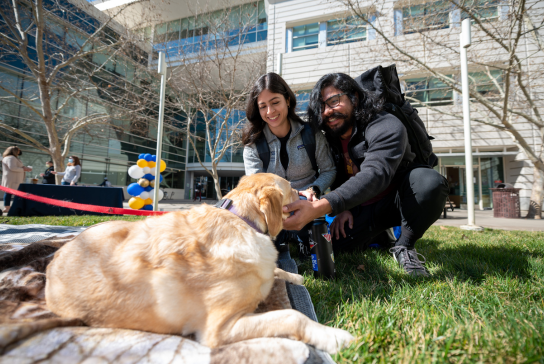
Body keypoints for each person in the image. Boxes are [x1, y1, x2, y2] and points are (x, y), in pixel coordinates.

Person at [282, 73, 448, 276]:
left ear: (355, 97)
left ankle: (405, 245)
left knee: (429, 182)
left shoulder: (385, 124)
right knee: (334, 246)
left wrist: (323, 206)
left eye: (334, 101)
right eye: (321, 107)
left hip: (398, 201)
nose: (327, 112)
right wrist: (344, 209)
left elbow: (376, 173)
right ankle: (377, 237)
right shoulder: (331, 138)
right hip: (363, 208)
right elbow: (339, 174)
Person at [242, 72, 336, 254]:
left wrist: (314, 190)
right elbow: (255, 187)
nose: (270, 112)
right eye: (263, 106)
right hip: (272, 211)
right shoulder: (253, 145)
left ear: (288, 100)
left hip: (309, 207)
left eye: (275, 102)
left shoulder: (311, 134)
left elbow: (329, 170)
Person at [1, 146, 32, 214]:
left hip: (13, 178)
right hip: (12, 178)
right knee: (9, 192)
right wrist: (23, 169)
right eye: (18, 150)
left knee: (11, 192)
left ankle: (9, 207)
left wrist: (24, 168)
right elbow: (12, 168)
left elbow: (16, 167)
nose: (19, 151)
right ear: (15, 151)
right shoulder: (11, 158)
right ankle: (7, 207)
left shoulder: (12, 158)